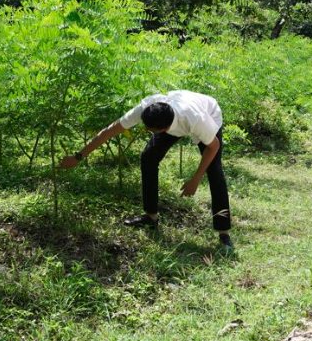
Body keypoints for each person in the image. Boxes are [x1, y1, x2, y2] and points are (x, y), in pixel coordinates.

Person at [58, 90, 233, 249]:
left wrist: (195, 179)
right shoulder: (148, 108)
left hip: (208, 112)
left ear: (163, 130)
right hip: (176, 111)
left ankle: (223, 233)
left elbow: (213, 147)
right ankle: (151, 217)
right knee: (148, 157)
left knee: (214, 171)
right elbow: (110, 130)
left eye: (151, 131)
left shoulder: (195, 118)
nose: (146, 131)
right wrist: (78, 157)